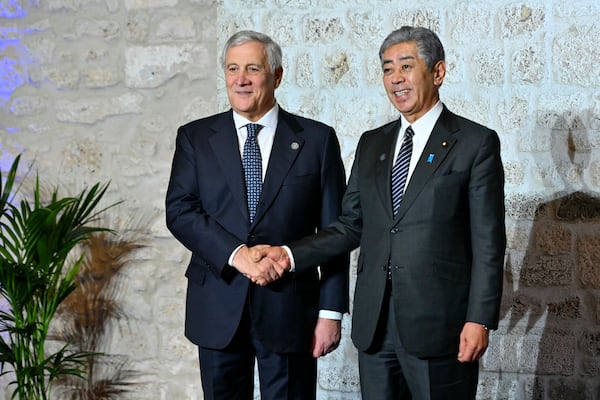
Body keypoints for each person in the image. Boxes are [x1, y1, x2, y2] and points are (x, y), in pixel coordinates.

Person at [251, 26, 506, 399]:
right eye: (387, 69)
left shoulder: (475, 143)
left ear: (437, 72)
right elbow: (350, 225)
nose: (396, 79)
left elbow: (488, 242)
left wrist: (479, 318)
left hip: (441, 327)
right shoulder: (373, 143)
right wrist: (288, 255)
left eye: (406, 66)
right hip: (376, 327)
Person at [165, 30, 349, 400]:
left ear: (276, 76)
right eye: (233, 69)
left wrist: (330, 312)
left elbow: (337, 231)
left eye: (253, 68)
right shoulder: (196, 138)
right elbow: (180, 210)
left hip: (291, 309)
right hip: (218, 305)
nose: (241, 79)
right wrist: (237, 256)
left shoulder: (316, 140)